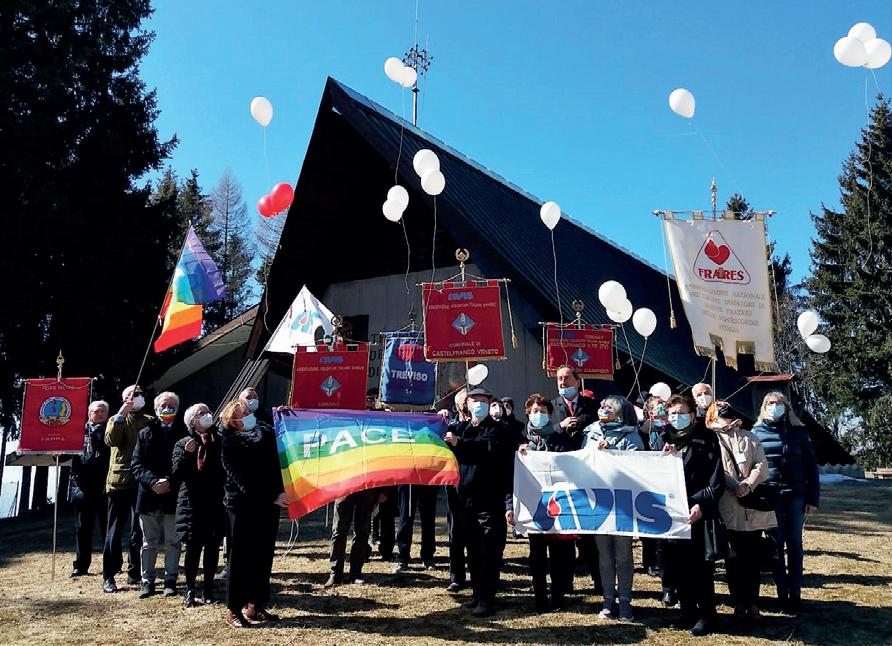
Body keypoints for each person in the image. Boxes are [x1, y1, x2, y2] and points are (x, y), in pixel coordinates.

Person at [655, 394, 724, 637]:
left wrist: (700, 505)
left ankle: (707, 615)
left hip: (698, 512)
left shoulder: (707, 438)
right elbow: (652, 474)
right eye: (672, 413)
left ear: (692, 415)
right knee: (678, 565)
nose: (677, 417)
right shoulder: (662, 439)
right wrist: (663, 459)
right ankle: (687, 611)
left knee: (700, 568)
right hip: (673, 512)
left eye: (682, 413)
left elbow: (716, 479)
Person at [443, 387, 516, 617]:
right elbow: (446, 435)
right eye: (475, 400)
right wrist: (441, 421)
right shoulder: (463, 428)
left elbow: (484, 448)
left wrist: (459, 443)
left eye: (484, 401)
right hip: (465, 501)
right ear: (466, 404)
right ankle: (477, 595)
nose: (479, 405)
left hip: (490, 501)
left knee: (488, 551)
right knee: (473, 550)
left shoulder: (498, 429)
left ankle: (487, 599)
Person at [220, 399, 288, 628]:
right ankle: (234, 609)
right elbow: (243, 480)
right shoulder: (230, 442)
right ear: (232, 421)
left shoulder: (266, 433)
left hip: (268, 506)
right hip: (242, 506)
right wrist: (272, 495)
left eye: (248, 411)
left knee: (263, 556)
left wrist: (286, 416)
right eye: (242, 414)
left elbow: (279, 457)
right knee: (240, 559)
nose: (248, 415)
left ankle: (256, 604)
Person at [707, 400, 776, 620]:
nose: (726, 415)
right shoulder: (711, 438)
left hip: (752, 507)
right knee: (733, 558)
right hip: (727, 504)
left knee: (752, 558)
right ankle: (738, 602)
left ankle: (753, 602)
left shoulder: (750, 437)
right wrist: (734, 486)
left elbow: (761, 465)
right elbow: (714, 467)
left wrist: (748, 484)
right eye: (721, 411)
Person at [751, 391, 819, 614]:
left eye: (779, 403)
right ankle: (781, 591)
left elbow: (811, 467)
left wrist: (813, 498)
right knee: (776, 544)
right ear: (764, 407)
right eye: (770, 403)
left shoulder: (798, 432)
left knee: (795, 543)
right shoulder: (756, 432)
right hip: (771, 496)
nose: (774, 407)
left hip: (796, 494)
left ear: (786, 407)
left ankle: (795, 592)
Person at [513, 394, 577, 612]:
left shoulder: (561, 439)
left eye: (542, 412)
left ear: (550, 415)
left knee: (559, 553)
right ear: (528, 414)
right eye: (534, 411)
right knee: (537, 554)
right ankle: (540, 596)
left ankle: (558, 595)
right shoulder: (522, 441)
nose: (538, 415)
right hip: (534, 504)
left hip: (556, 502)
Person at [583, 396, 644, 622]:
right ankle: (608, 599)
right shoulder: (591, 433)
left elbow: (638, 465)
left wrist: (613, 453)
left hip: (623, 503)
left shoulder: (631, 435)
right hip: (599, 501)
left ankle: (625, 600)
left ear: (620, 413)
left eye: (609, 407)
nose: (603, 409)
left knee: (623, 554)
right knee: (604, 554)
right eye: (602, 405)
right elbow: (581, 462)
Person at [550, 365, 601, 596]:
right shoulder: (551, 406)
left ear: (577, 381)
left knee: (591, 536)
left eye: (566, 378)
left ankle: (600, 584)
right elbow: (542, 432)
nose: (562, 382)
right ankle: (563, 586)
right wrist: (559, 427)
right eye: (559, 379)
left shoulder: (592, 406)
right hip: (562, 476)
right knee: (563, 536)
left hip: (588, 475)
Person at [131, 391, 186, 599]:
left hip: (173, 496)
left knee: (173, 541)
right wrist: (153, 482)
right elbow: (136, 465)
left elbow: (185, 465)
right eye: (163, 405)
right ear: (155, 408)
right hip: (149, 496)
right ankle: (147, 581)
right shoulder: (145, 432)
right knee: (148, 542)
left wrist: (170, 482)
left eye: (171, 405)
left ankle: (171, 580)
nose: (167, 408)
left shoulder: (184, 433)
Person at [172, 403, 226, 608]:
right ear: (192, 421)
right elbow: (177, 474)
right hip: (192, 504)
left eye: (208, 412)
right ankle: (189, 589)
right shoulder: (183, 443)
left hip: (215, 502)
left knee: (212, 547)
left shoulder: (219, 440)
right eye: (201, 413)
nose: (207, 415)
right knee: (193, 549)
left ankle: (208, 590)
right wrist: (187, 455)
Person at [102, 384, 151, 593]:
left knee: (138, 531)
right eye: (133, 395)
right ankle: (109, 575)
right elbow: (111, 440)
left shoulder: (149, 421)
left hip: (141, 482)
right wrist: (121, 414)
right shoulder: (116, 419)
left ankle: (135, 572)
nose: (138, 397)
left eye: (140, 394)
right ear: (124, 399)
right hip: (119, 482)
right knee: (114, 531)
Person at [70, 400, 111, 577]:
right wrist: (57, 453)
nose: (100, 414)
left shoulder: (112, 430)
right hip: (82, 486)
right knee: (82, 529)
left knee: (107, 528)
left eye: (103, 411)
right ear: (89, 414)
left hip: (105, 485)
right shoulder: (78, 431)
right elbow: (64, 454)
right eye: (96, 411)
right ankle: (81, 565)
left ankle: (112, 563)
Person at [325, 489, 379, 586]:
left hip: (366, 491)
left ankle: (355, 574)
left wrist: (384, 491)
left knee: (362, 533)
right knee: (338, 531)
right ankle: (335, 574)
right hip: (344, 489)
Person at [445, 387, 470, 593]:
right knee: (455, 533)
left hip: (476, 484)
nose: (469, 405)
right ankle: (457, 577)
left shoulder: (480, 424)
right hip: (455, 485)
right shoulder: (450, 426)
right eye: (465, 402)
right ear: (457, 405)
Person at [393, 483, 438, 572]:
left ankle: (428, 557)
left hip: (428, 480)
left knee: (428, 519)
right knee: (405, 518)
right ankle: (403, 557)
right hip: (407, 481)